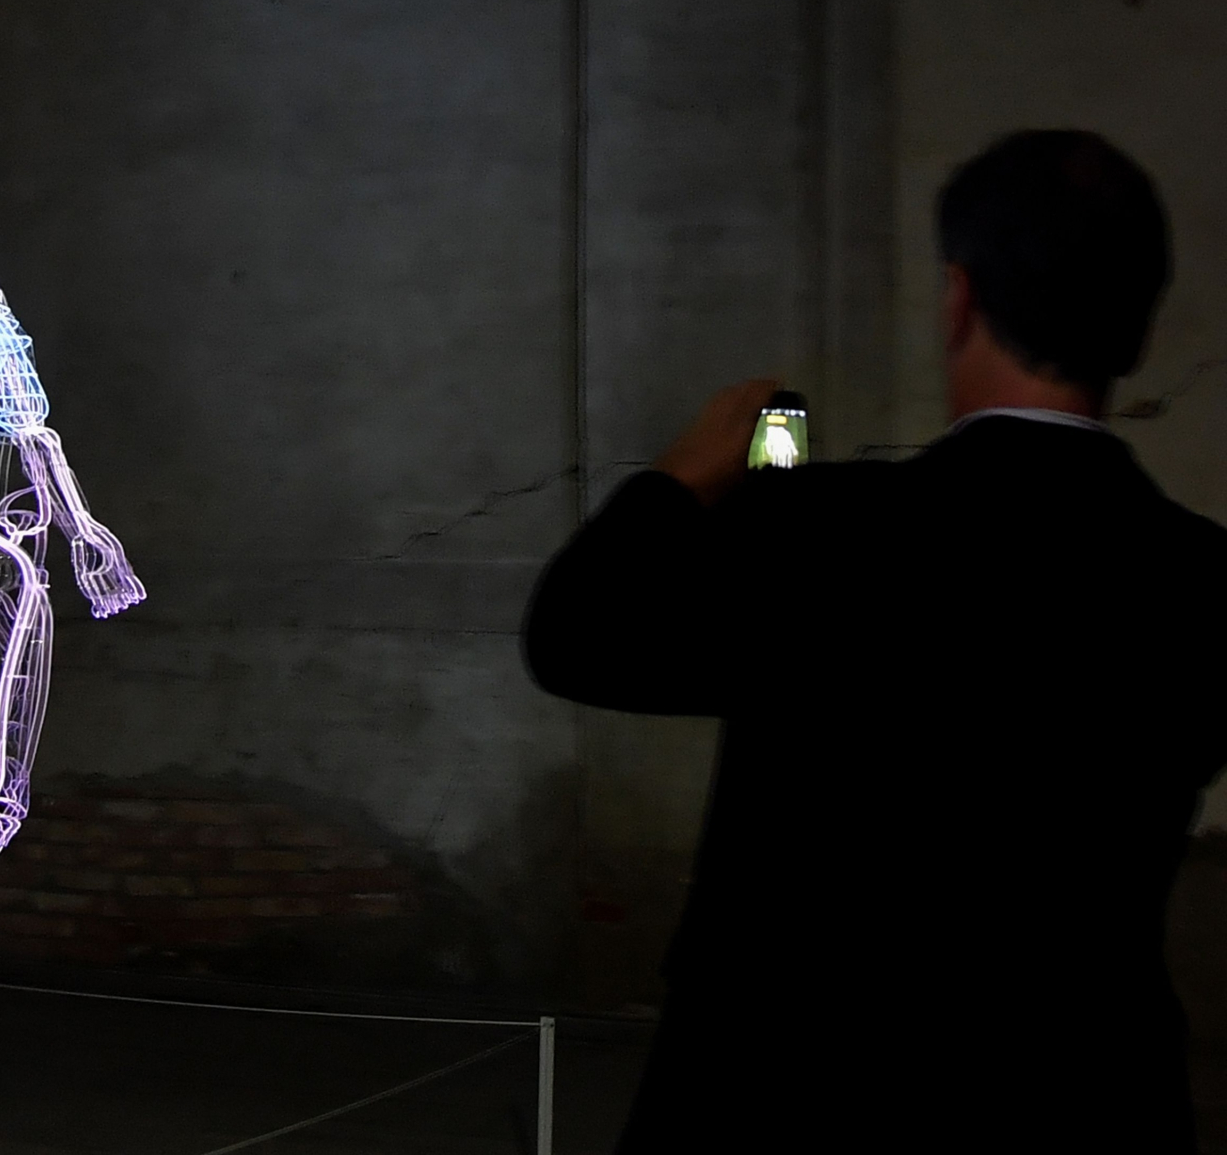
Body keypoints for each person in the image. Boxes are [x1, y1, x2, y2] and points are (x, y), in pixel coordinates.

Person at [523, 130, 1227, 1153]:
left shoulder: (820, 530)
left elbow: (575, 636)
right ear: (1142, 329)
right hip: (1085, 1092)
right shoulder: (1206, 579)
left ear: (959, 298)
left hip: (790, 1087)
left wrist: (680, 480)